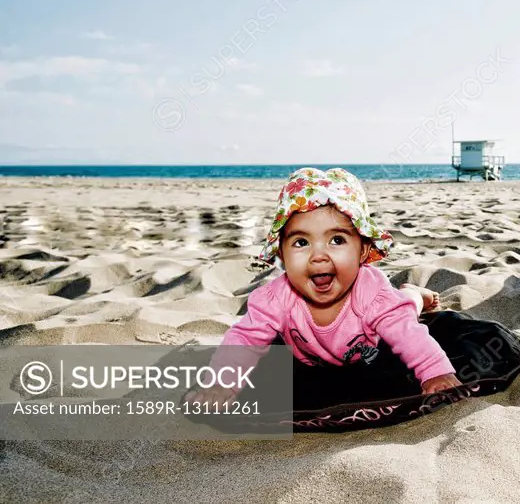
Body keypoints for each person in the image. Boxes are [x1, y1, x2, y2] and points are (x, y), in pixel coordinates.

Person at [185, 166, 461, 406]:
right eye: (301, 243)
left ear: (363, 251)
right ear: (281, 254)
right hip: (311, 359)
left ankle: (414, 293)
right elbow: (245, 338)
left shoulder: (371, 293)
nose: (319, 255)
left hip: (370, 347)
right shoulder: (275, 298)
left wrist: (434, 372)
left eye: (337, 240)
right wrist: (221, 384)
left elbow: (407, 333)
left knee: (404, 308)